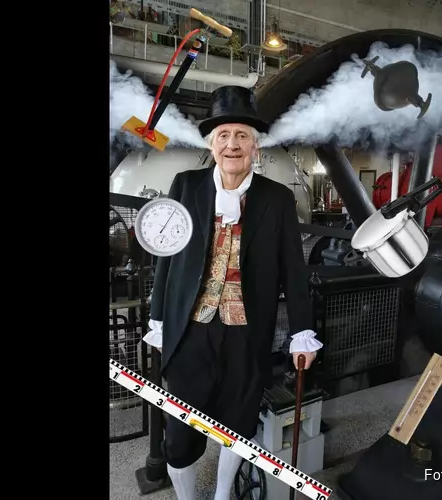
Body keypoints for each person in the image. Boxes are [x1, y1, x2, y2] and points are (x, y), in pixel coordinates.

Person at [142, 85, 322, 500]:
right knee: (180, 431)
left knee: (237, 424)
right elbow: (166, 257)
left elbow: (294, 271)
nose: (232, 144)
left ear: (255, 147)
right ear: (212, 144)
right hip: (190, 328)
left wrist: (302, 332)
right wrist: (157, 317)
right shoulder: (185, 185)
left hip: (246, 333)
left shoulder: (277, 199)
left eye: (242, 135)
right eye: (223, 136)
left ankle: (223, 494)